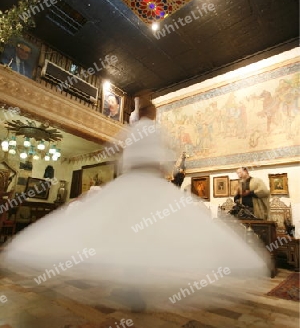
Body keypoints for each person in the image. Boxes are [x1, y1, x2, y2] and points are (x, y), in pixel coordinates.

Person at [0, 119, 269, 312]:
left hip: (132, 186)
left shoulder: (133, 133)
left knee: (123, 231)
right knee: (145, 234)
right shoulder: (156, 134)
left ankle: (129, 281)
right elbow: (165, 165)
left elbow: (124, 159)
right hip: (150, 188)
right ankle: (134, 283)